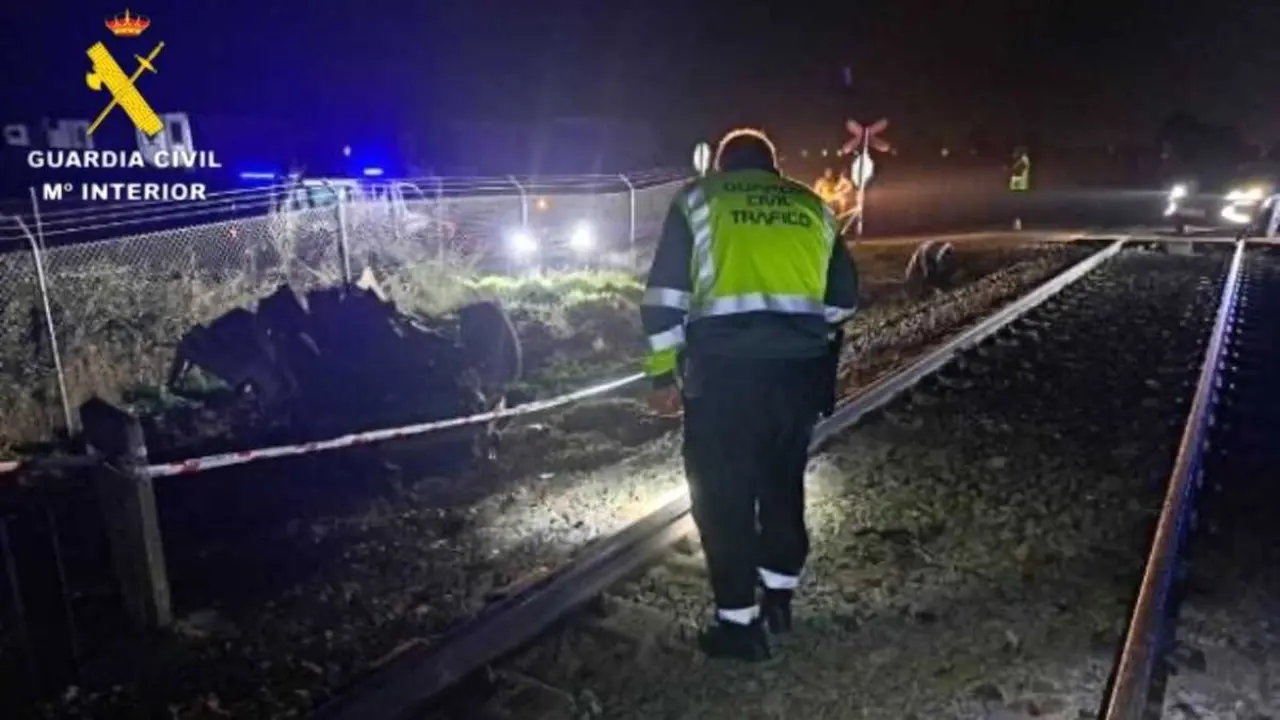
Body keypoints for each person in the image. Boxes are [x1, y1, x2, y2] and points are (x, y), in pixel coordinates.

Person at [639, 128, 860, 661]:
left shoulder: (698, 202)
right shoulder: (811, 206)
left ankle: (738, 626)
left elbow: (665, 297)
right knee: (782, 486)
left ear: (721, 166)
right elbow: (843, 301)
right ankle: (779, 599)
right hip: (796, 376)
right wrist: (792, 328)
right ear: (773, 167)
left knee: (723, 497)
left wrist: (661, 377)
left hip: (722, 378)